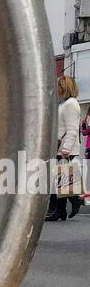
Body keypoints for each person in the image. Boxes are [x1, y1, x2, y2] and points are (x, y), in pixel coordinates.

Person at [46, 75, 84, 221]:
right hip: (60, 146)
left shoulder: (71, 104)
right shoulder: (64, 104)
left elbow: (73, 129)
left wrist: (66, 149)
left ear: (64, 88)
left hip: (64, 148)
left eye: (58, 87)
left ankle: (72, 200)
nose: (56, 89)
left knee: (59, 179)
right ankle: (60, 209)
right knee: (59, 179)